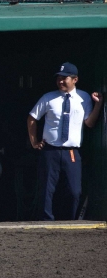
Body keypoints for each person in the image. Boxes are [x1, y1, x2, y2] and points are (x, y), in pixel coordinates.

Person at [27, 62, 103, 221]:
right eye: (58, 79)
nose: (60, 81)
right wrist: (34, 141)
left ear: (75, 79)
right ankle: (46, 221)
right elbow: (32, 118)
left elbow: (89, 123)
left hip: (71, 151)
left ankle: (72, 221)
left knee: (74, 190)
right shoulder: (48, 97)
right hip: (50, 150)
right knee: (47, 189)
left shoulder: (83, 98)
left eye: (64, 78)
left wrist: (98, 104)